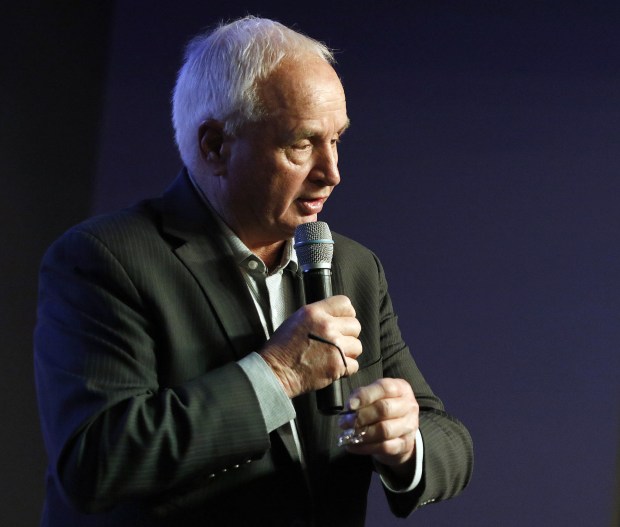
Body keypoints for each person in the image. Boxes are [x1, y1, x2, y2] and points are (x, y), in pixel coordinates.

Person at [34, 16, 473, 526]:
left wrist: (405, 442)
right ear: (215, 147)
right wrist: (277, 374)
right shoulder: (103, 259)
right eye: (302, 144)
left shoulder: (352, 267)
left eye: (337, 139)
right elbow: (95, 463)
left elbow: (450, 441)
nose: (332, 172)